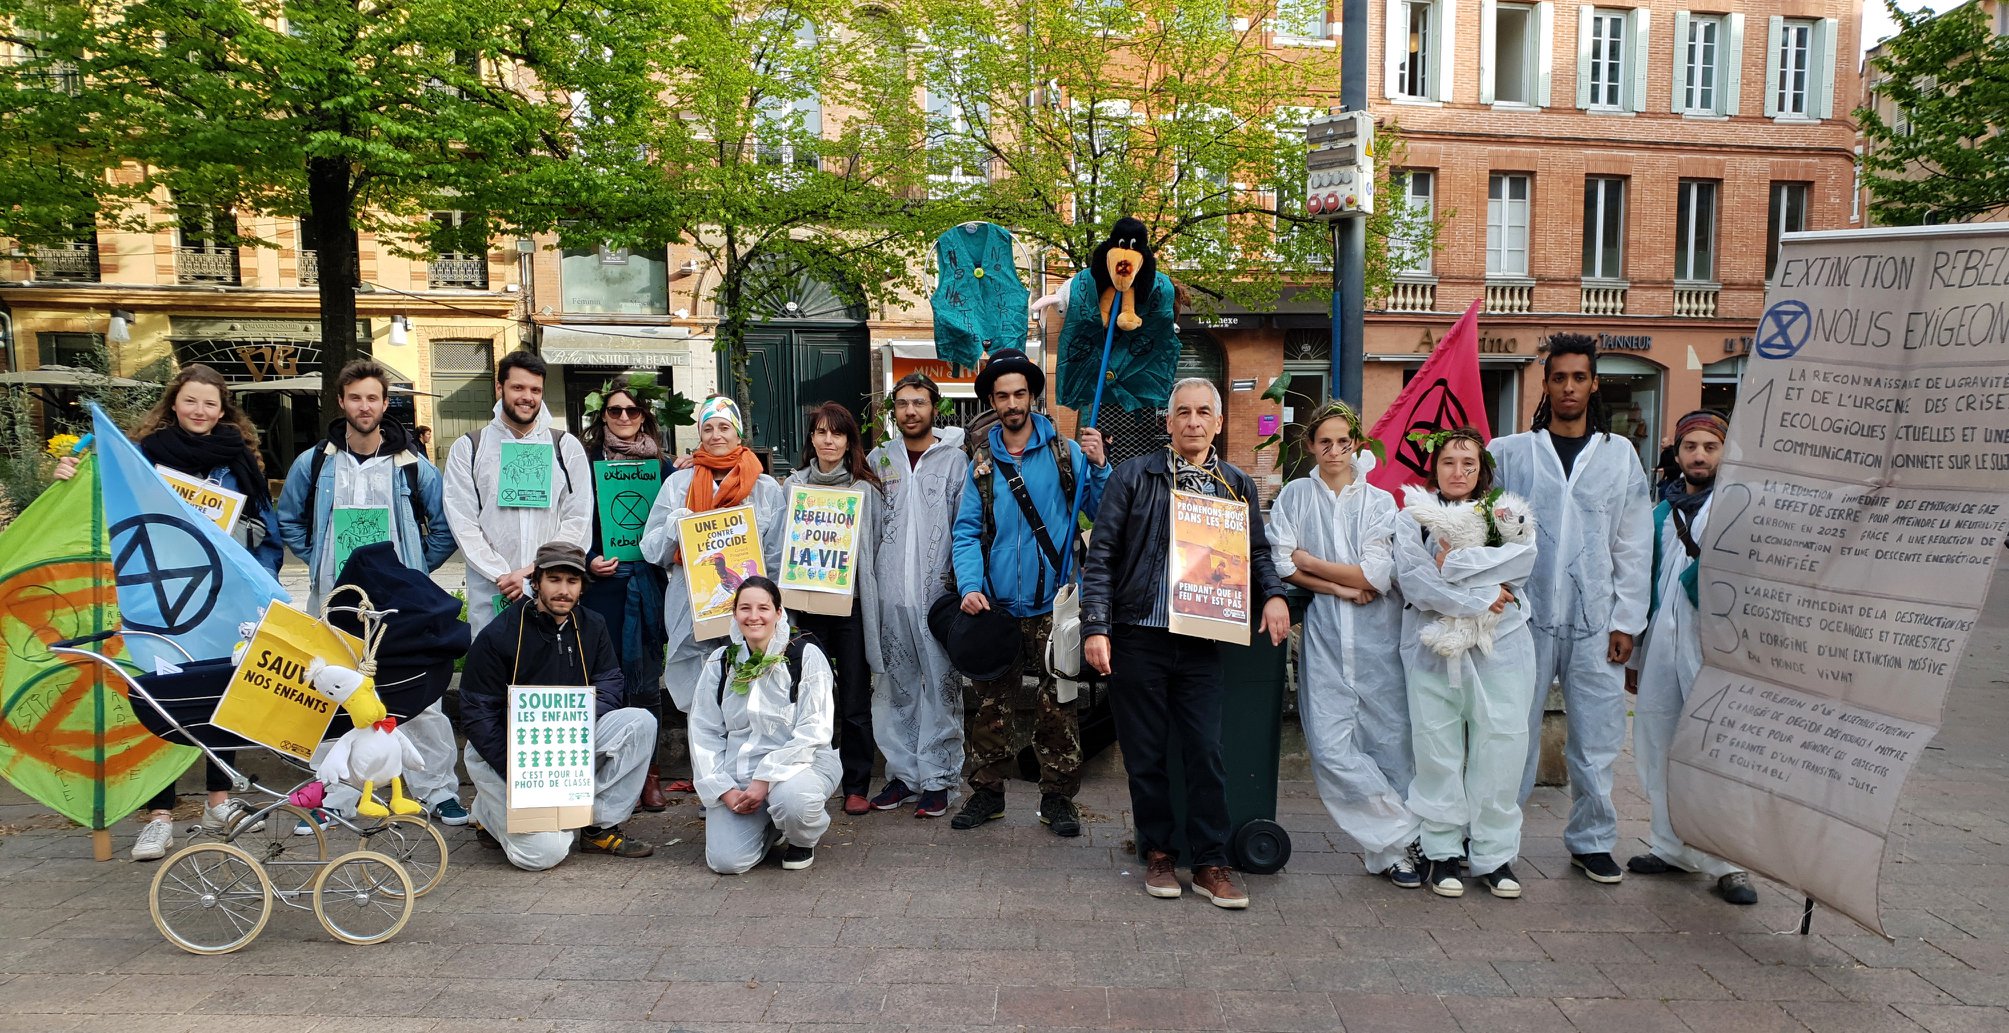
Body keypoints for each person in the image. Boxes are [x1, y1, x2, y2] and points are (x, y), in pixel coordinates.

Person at [1081, 378, 1289, 909]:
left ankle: (1211, 862)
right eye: (1183, 413)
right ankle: (1158, 853)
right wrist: (1096, 627)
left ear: (1218, 423)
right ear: (1168, 423)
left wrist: (1274, 595)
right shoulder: (1133, 476)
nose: (1194, 421)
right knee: (1146, 756)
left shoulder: (1235, 483)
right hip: (1137, 635)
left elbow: (1258, 553)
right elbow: (1101, 556)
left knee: (1206, 751)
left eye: (1204, 413)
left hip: (1202, 638)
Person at [58, 363, 280, 858]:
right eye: (190, 401)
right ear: (173, 403)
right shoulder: (142, 458)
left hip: (221, 600)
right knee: (163, 698)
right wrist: (71, 471)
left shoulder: (238, 460)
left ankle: (219, 802)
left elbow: (266, 527)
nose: (199, 411)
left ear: (224, 410)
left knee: (222, 695)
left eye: (210, 403)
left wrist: (259, 585)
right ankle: (159, 815)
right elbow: (110, 508)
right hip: (160, 599)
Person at [1490, 334, 1652, 885]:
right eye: (1559, 377)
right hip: (1522, 618)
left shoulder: (1618, 455)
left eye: (1579, 378)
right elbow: (1477, 524)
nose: (1568, 388)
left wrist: (1627, 620)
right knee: (1512, 733)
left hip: (1595, 621)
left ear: (1594, 383)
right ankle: (1495, 843)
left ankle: (1592, 840)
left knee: (1598, 737)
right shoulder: (1509, 453)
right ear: (1545, 383)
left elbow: (1632, 542)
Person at [276, 359, 465, 828]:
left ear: (385, 404)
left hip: (399, 607)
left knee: (419, 697)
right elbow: (289, 519)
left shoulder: (413, 467)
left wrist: (414, 573)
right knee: (330, 697)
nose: (365, 406)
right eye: (356, 397)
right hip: (334, 603)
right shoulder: (315, 462)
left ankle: (437, 790)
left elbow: (444, 528)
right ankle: (331, 797)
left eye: (373, 398)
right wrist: (321, 560)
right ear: (341, 402)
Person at [947, 348, 1107, 835]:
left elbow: (1102, 513)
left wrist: (1099, 466)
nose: (1012, 402)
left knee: (1058, 705)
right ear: (991, 401)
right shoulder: (979, 462)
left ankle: (1058, 799)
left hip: (1054, 605)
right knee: (990, 707)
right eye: (1002, 395)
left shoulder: (1066, 453)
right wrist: (971, 586)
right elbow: (967, 531)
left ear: (1032, 396)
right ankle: (987, 795)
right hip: (996, 604)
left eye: (1019, 393)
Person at [1266, 401, 1422, 888]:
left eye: (1343, 441)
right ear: (1310, 446)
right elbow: (1280, 564)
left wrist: (1311, 559)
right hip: (1327, 636)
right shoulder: (1295, 496)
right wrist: (1338, 587)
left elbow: (1374, 574)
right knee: (1331, 748)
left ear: (1356, 444)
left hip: (1379, 639)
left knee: (1390, 748)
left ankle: (1393, 855)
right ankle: (1412, 833)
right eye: (1324, 441)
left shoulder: (1379, 504)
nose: (1334, 450)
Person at [1394, 428, 1539, 899]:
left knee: (1501, 746)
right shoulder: (1412, 518)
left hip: (1503, 644)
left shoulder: (1507, 514)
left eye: (1468, 463)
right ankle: (1442, 851)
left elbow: (1519, 565)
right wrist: (1482, 591)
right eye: (1449, 462)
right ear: (1434, 468)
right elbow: (1417, 581)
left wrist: (1457, 568)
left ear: (1483, 470)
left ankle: (1495, 855)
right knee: (1436, 747)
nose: (1458, 472)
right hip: (1431, 646)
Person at [459, 541, 657, 870]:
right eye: (554, 579)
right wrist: (518, 771)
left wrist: (570, 725)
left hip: (564, 744)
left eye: (572, 581)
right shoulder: (500, 634)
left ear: (582, 586)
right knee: (545, 854)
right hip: (505, 751)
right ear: (535, 581)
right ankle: (487, 813)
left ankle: (597, 826)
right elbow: (477, 712)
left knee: (639, 723)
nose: (563, 590)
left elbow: (610, 682)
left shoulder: (592, 625)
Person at [1627, 410, 1757, 905]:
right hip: (1663, 639)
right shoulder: (1662, 509)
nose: (1700, 455)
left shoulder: (1740, 504)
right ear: (1676, 453)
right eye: (1691, 447)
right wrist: (1638, 655)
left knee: (1717, 750)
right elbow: (1646, 579)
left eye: (1710, 446)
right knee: (1657, 740)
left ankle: (1730, 863)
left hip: (1718, 644)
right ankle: (1670, 844)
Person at [639, 395, 786, 791]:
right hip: (691, 605)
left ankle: (750, 776)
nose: (716, 435)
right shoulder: (679, 483)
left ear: (737, 432)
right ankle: (708, 782)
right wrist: (676, 523)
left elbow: (775, 555)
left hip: (749, 608)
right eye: (708, 428)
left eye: (724, 427)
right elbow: (650, 548)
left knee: (748, 686)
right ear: (699, 434)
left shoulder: (766, 487)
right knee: (699, 693)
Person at [864, 373, 968, 818]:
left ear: (934, 408)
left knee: (941, 686)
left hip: (937, 594)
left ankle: (940, 777)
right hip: (888, 594)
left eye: (919, 403)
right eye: (903, 403)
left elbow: (966, 527)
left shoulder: (955, 461)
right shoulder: (878, 459)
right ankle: (903, 775)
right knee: (894, 684)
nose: (910, 411)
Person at [689, 577, 842, 873]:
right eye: (745, 608)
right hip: (740, 773)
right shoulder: (721, 663)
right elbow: (703, 732)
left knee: (794, 801)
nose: (754, 616)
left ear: (779, 613)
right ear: (735, 615)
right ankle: (770, 823)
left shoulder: (804, 655)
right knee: (727, 862)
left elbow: (815, 730)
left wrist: (765, 779)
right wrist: (724, 790)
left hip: (803, 764)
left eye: (763, 607)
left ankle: (801, 837)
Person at [442, 350, 594, 634]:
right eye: (518, 387)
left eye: (535, 390)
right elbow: (462, 521)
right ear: (499, 388)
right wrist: (502, 574)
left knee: (550, 668)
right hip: (492, 587)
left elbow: (578, 520)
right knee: (494, 668)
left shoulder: (565, 447)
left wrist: (534, 570)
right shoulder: (469, 448)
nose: (528, 397)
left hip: (550, 585)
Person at [783, 402, 886, 815]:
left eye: (837, 433)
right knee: (808, 695)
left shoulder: (865, 489)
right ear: (811, 439)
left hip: (852, 609)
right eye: (821, 432)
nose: (828, 440)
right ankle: (809, 777)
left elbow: (877, 546)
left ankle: (856, 783)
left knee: (855, 698)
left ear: (849, 441)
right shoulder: (792, 486)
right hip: (805, 610)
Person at [579, 376, 675, 811]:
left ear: (644, 417)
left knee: (647, 683)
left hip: (647, 585)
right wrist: (587, 560)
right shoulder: (582, 463)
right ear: (603, 415)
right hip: (602, 587)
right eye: (614, 410)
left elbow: (679, 516)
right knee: (603, 679)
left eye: (631, 411)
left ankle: (648, 774)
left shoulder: (664, 467)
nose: (622, 417)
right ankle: (605, 769)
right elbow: (570, 520)